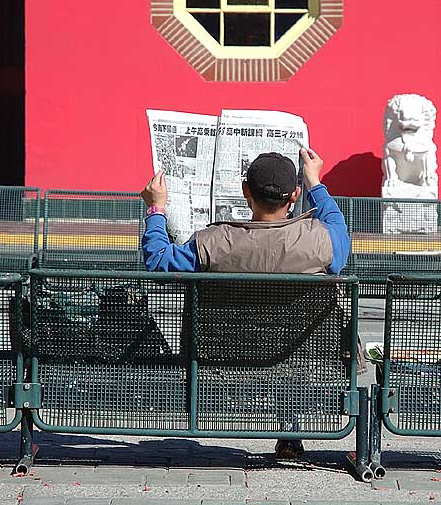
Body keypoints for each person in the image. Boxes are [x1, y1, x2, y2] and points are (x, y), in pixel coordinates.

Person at [141, 148, 350, 459]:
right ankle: (289, 427)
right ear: (293, 196)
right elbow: (336, 224)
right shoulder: (322, 242)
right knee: (291, 352)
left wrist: (156, 209)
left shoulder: (213, 241)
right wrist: (314, 182)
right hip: (302, 360)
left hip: (220, 362)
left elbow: (158, 261)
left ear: (245, 191)